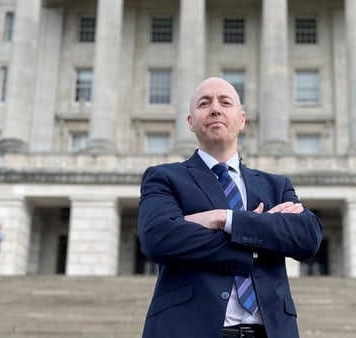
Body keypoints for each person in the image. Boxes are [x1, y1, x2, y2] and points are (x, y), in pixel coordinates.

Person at [138, 77, 323, 338]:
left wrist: (223, 218)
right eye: (204, 103)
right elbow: (158, 237)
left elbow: (307, 237)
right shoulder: (164, 178)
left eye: (225, 102)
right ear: (191, 122)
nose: (215, 109)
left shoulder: (275, 186)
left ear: (242, 119)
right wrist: (259, 239)